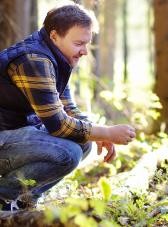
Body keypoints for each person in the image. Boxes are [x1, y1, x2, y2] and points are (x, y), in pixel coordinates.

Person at [0, 3, 136, 211]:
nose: (84, 52)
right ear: (55, 36)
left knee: (83, 143)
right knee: (69, 152)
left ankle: (23, 202)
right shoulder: (34, 59)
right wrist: (107, 131)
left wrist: (98, 133)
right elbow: (59, 125)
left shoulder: (54, 57)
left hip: (12, 132)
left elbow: (67, 108)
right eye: (79, 43)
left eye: (87, 43)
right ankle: (4, 197)